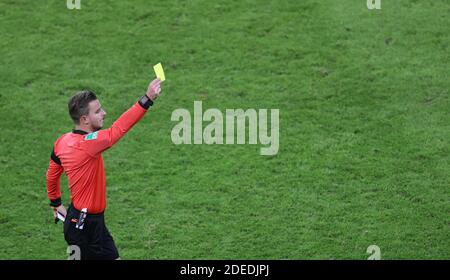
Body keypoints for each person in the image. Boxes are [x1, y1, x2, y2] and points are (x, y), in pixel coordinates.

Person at [46, 78, 162, 260]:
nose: (104, 113)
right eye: (98, 111)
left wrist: (55, 202)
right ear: (84, 119)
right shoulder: (87, 144)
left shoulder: (62, 141)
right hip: (82, 228)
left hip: (90, 222)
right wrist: (147, 98)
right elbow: (117, 130)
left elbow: (52, 175)